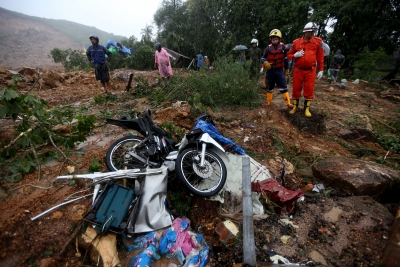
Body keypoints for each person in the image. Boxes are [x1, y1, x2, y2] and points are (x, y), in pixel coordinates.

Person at [287, 22, 325, 117]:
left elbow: (320, 57)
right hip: (298, 70)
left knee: (309, 89)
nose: (312, 33)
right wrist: (295, 55)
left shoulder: (317, 42)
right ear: (305, 32)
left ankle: (306, 109)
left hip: (310, 70)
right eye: (310, 31)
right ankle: (295, 107)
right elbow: (289, 55)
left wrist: (321, 69)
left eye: (313, 31)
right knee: (296, 89)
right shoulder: (296, 42)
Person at [260, 29, 292, 107]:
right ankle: (268, 102)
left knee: (283, 87)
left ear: (279, 39)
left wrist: (287, 69)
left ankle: (288, 103)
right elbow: (262, 58)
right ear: (271, 39)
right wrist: (264, 62)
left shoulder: (283, 47)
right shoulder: (268, 48)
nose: (274, 40)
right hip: (270, 71)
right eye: (273, 39)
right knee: (269, 87)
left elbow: (285, 59)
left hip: (279, 70)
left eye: (276, 39)